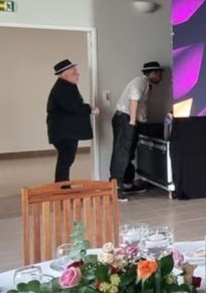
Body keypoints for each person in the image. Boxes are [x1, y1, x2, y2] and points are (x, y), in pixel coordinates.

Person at [109, 60, 164, 198]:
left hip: (127, 119)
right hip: (126, 119)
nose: (161, 77)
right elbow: (134, 98)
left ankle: (127, 184)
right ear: (153, 73)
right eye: (159, 74)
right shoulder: (141, 82)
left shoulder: (145, 84)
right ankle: (115, 189)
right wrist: (133, 122)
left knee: (128, 153)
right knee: (122, 153)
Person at [45, 59, 96, 183]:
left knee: (66, 159)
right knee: (66, 159)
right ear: (64, 75)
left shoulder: (67, 86)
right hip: (63, 132)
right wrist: (90, 109)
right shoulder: (62, 89)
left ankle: (62, 186)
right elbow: (73, 107)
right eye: (74, 73)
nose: (78, 75)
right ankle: (62, 187)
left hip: (66, 131)